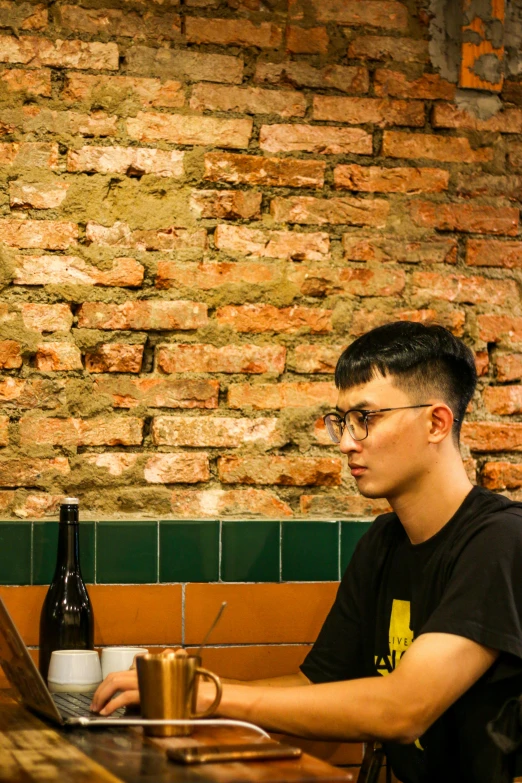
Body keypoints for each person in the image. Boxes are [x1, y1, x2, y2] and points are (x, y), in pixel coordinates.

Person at [91, 321, 522, 783]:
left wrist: (208, 697)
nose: (346, 442)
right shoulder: (382, 543)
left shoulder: (500, 540)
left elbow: (404, 709)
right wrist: (178, 696)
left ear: (436, 422)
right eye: (342, 420)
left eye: (366, 419)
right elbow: (319, 685)